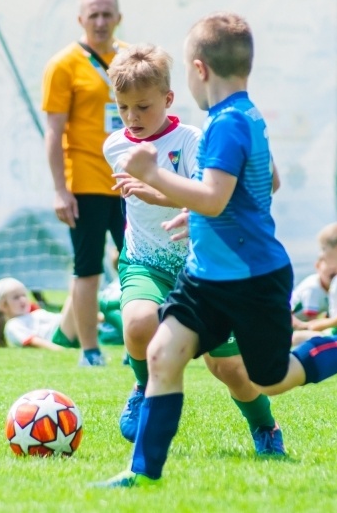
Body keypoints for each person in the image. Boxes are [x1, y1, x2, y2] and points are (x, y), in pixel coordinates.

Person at [97, 12, 337, 488]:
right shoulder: (243, 114)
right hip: (207, 273)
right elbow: (267, 182)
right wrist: (203, 216)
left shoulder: (224, 125)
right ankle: (143, 474)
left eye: (187, 69)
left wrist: (156, 178)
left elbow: (216, 196)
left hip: (248, 277)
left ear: (200, 70)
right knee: (162, 353)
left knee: (268, 377)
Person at [104, 43, 285, 455]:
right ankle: (144, 386)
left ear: (168, 100)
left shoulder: (191, 140)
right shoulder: (113, 146)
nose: (133, 117)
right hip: (145, 262)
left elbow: (208, 198)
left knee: (229, 369)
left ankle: (265, 427)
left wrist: (156, 193)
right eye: (124, 107)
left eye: (143, 107)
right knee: (136, 325)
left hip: (200, 269)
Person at [41, 0, 126, 366]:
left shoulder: (130, 59)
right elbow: (54, 132)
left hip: (130, 184)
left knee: (139, 266)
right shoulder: (63, 64)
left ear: (118, 17)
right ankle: (90, 350)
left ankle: (136, 346)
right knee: (87, 268)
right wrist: (61, 190)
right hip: (87, 184)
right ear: (81, 19)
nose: (101, 21)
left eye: (107, 13)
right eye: (94, 14)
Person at [0, 277, 121, 350]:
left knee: (116, 333)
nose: (22, 299)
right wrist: (57, 349)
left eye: (23, 295)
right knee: (76, 292)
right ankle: (114, 301)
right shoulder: (13, 325)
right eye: (16, 297)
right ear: (3, 306)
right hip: (59, 338)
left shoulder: (35, 314)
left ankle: (114, 306)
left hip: (69, 331)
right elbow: (33, 341)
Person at [290, 255, 333, 323]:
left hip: (303, 321)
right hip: (288, 320)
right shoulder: (312, 288)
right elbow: (312, 323)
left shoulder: (332, 286)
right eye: (329, 265)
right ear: (317, 266)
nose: (333, 269)